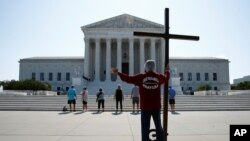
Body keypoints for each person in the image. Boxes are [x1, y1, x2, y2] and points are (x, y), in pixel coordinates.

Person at [112, 60, 170, 141]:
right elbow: (166, 78)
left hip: (145, 107)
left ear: (145, 68)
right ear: (154, 68)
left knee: (145, 128)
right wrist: (167, 71)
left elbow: (128, 79)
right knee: (158, 126)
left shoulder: (141, 77)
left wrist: (118, 73)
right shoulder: (159, 77)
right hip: (156, 106)